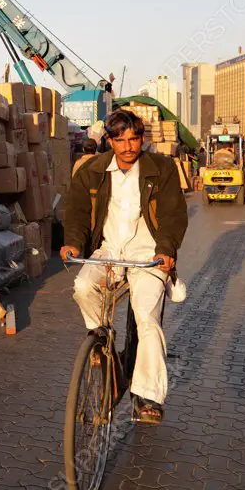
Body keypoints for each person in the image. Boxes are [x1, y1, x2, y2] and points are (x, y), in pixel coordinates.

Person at [60, 110, 189, 425]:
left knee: (146, 319)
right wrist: (74, 242)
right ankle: (103, 347)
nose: (128, 146)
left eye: (134, 139)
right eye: (120, 140)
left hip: (149, 254)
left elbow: (173, 213)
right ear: (110, 141)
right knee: (82, 287)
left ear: (142, 138)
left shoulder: (162, 168)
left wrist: (167, 250)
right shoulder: (92, 170)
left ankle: (147, 396)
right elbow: (76, 210)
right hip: (110, 250)